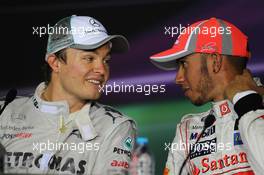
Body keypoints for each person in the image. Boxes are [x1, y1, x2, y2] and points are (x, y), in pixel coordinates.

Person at [0, 15, 136, 175]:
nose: (101, 69)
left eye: (106, 60)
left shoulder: (115, 126)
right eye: (89, 58)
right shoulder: (4, 111)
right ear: (55, 62)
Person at [150, 17, 264, 175]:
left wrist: (247, 103)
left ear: (215, 62)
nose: (178, 78)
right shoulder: (188, 130)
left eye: (184, 64)